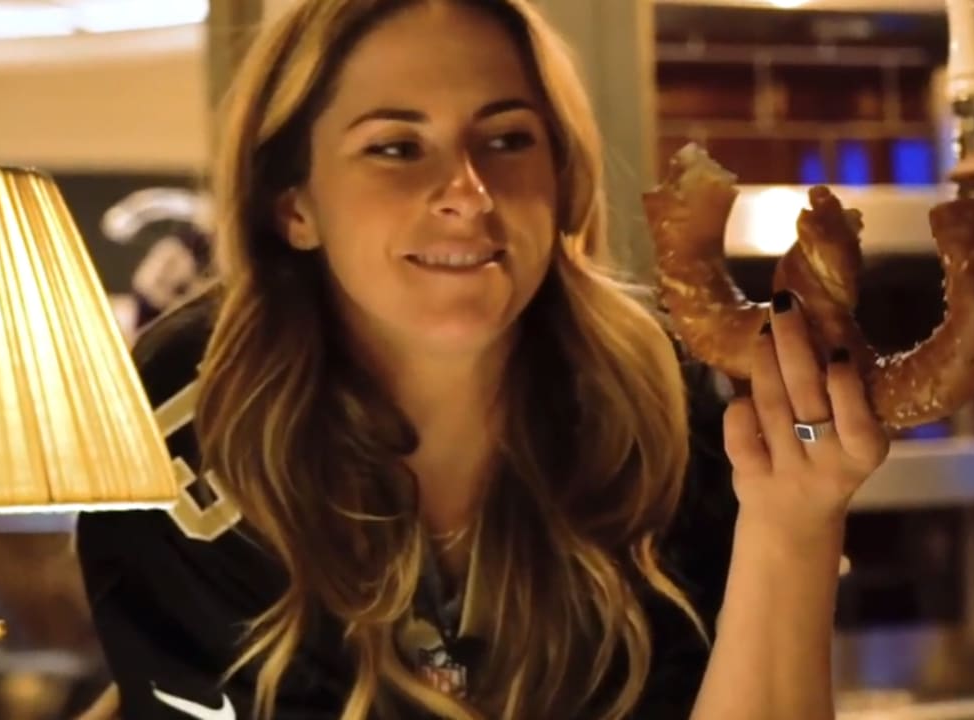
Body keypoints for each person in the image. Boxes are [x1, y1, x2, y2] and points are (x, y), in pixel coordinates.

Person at [74, 1, 890, 718]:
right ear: (295, 205)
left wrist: (794, 526)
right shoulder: (186, 416)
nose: (468, 190)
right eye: (396, 146)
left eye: (507, 139)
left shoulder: (668, 412)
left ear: (564, 183)